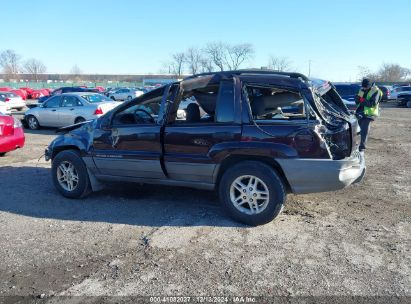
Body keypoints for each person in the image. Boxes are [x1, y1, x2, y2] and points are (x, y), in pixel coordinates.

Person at [355, 78, 383, 153]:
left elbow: (372, 104)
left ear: (370, 85)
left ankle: (362, 147)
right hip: (360, 112)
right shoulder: (362, 89)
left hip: (369, 114)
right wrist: (357, 98)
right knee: (360, 129)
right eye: (363, 87)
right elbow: (357, 101)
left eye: (365, 87)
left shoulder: (376, 91)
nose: (364, 88)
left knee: (364, 130)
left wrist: (361, 99)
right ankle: (356, 142)